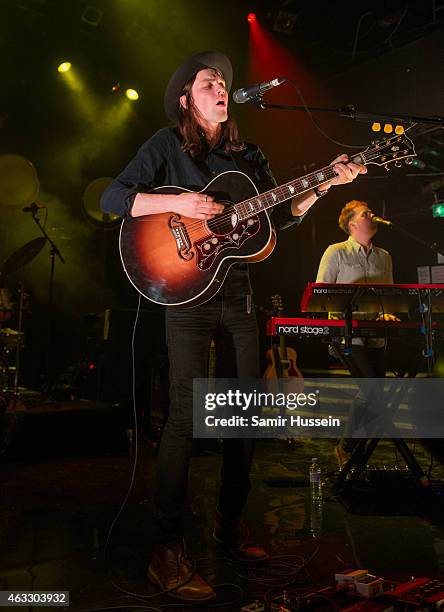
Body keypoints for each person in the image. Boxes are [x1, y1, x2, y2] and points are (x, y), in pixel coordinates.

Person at [101, 51, 366, 603]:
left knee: (246, 414)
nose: (221, 88)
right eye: (209, 82)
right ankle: (166, 549)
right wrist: (185, 208)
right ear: (186, 98)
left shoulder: (249, 156)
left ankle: (229, 524)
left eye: (223, 82)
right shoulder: (165, 145)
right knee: (184, 416)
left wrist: (325, 185)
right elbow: (113, 197)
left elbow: (281, 218)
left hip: (238, 297)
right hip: (187, 296)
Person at [316, 200, 395, 468]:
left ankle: (356, 452)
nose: (372, 216)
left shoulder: (385, 257)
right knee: (372, 388)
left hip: (376, 334)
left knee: (376, 391)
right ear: (352, 224)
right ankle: (347, 446)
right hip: (347, 334)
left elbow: (389, 296)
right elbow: (320, 294)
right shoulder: (335, 252)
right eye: (365, 214)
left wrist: (386, 312)